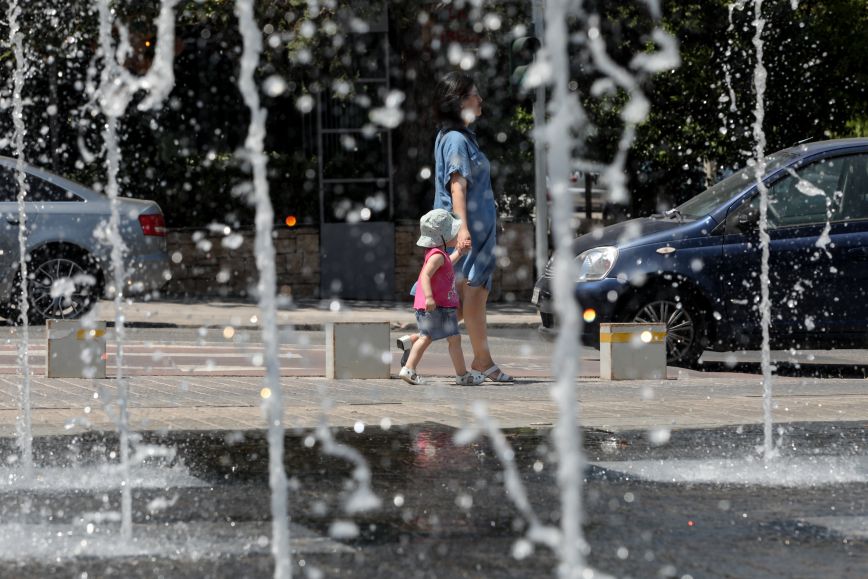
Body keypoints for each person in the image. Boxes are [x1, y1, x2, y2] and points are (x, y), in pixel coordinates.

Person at [410, 71, 514, 382]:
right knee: (475, 293)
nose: (480, 100)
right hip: (469, 231)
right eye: (473, 95)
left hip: (466, 229)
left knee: (452, 297)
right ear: (458, 102)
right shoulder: (456, 139)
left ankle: (416, 342)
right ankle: (483, 360)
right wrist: (464, 229)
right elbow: (458, 185)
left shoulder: (454, 136)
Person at [398, 209, 485, 386]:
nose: (456, 235)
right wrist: (429, 297)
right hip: (435, 305)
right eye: (452, 233)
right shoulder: (437, 255)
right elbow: (425, 276)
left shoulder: (439, 254)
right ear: (442, 237)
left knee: (451, 338)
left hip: (442, 306)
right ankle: (409, 369)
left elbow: (446, 265)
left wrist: (459, 252)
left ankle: (461, 375)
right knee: (428, 337)